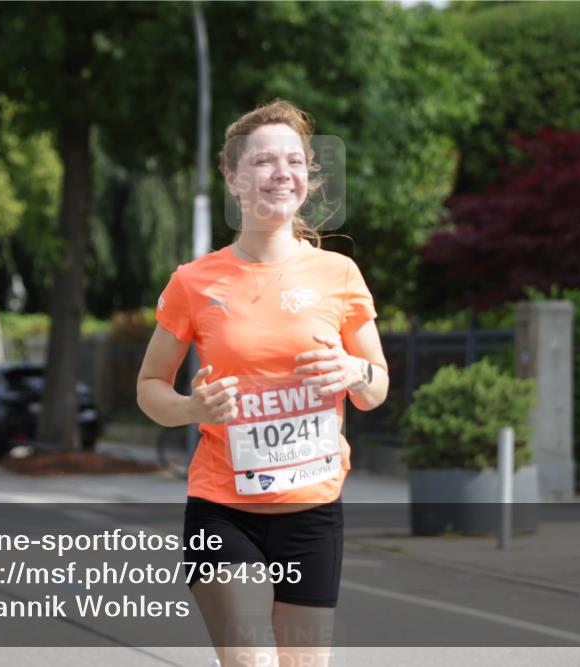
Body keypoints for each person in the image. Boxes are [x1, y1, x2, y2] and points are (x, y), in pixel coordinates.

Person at [136, 99, 389, 667]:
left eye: (295, 161)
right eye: (264, 161)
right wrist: (191, 407)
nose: (283, 173)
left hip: (313, 510)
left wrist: (355, 372)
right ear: (233, 178)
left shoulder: (339, 275)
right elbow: (150, 384)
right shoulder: (194, 282)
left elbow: (377, 388)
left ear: (308, 177)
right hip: (223, 508)